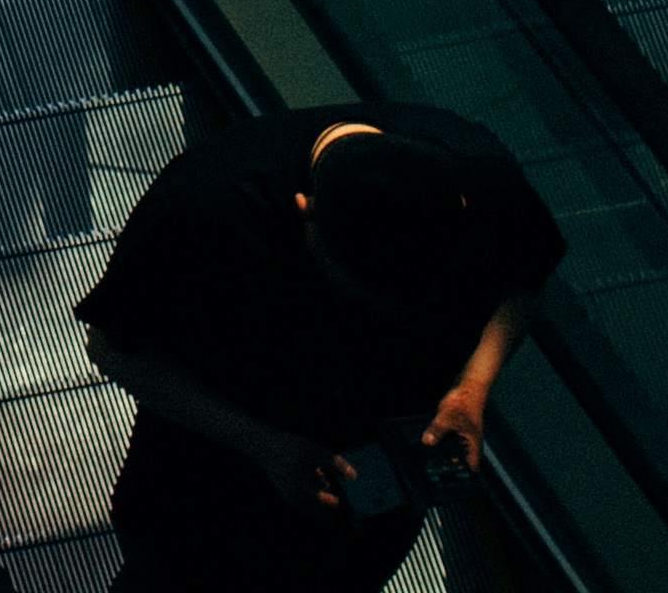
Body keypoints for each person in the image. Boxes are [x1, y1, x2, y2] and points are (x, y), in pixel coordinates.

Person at [74, 104, 560, 591]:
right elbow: (114, 347)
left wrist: (471, 387)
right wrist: (262, 444)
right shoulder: (202, 212)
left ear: (461, 207)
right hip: (206, 498)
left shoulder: (486, 182)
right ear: (304, 212)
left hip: (369, 503)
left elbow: (525, 282)